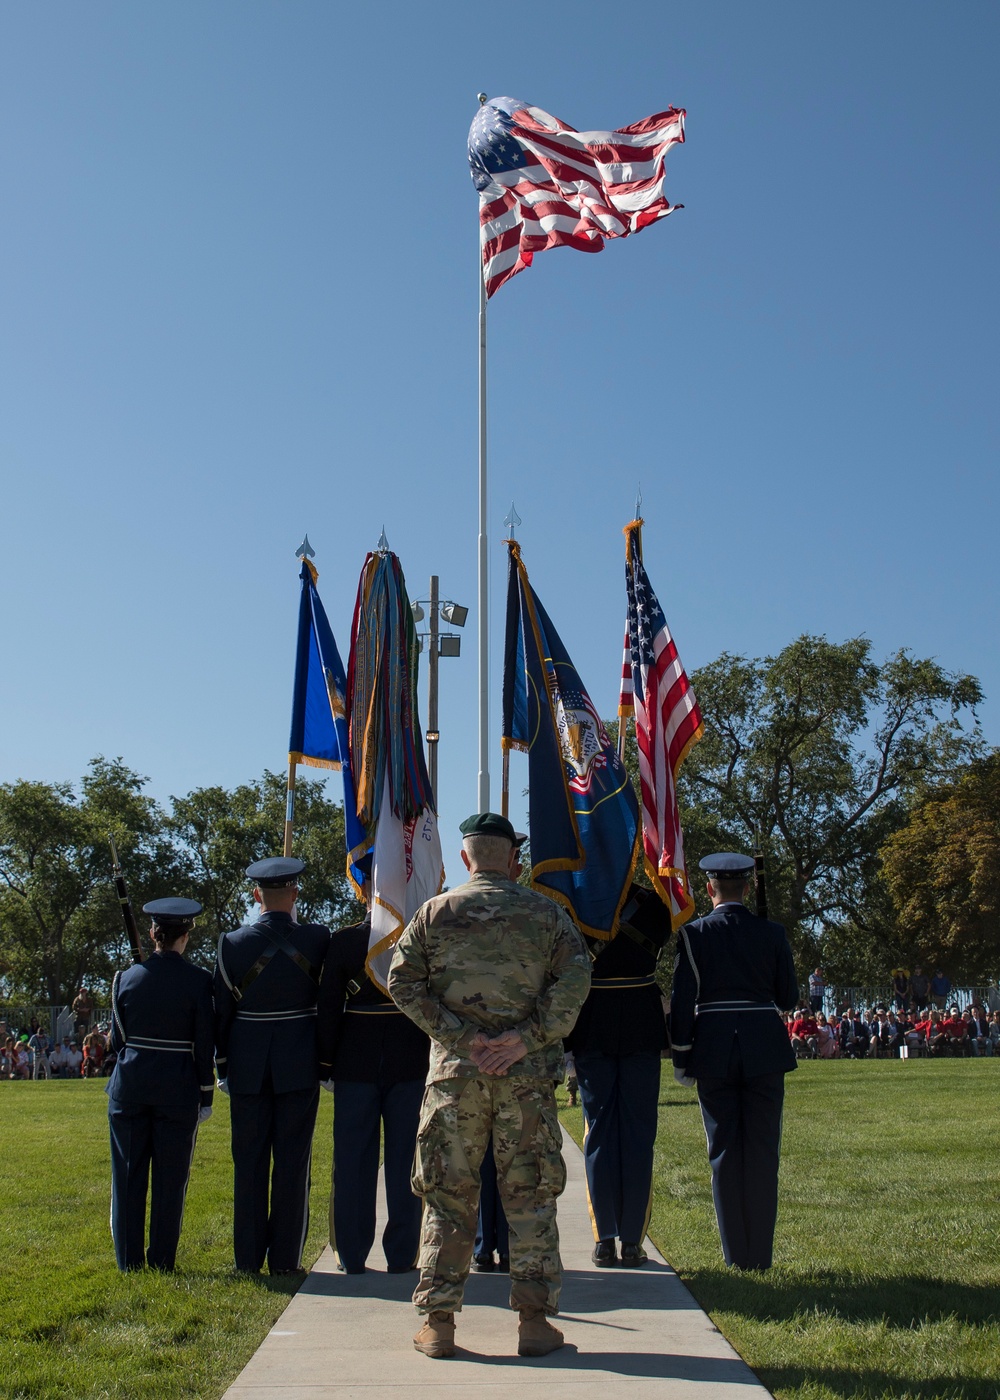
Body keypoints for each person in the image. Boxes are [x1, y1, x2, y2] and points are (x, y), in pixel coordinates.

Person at [387, 812, 591, 1361]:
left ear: (465, 858)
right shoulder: (547, 915)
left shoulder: (433, 913)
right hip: (525, 1081)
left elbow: (400, 980)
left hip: (456, 1081)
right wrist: (525, 1039)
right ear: (513, 859)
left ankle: (438, 1324)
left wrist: (462, 1038)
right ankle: (533, 1323)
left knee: (448, 1199)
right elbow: (577, 980)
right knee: (529, 1197)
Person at [670, 852, 798, 1272]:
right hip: (764, 1045)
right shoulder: (773, 933)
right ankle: (760, 1255)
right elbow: (788, 998)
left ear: (709, 889)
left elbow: (684, 1000)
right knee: (762, 1152)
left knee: (723, 1152)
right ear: (745, 888)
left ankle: (735, 1257)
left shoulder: (694, 935)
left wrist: (682, 1056)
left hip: (715, 1048)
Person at [214, 857, 331, 1276]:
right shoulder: (317, 939)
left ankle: (246, 1260)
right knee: (292, 1164)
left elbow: (222, 1013)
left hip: (247, 1064)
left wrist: (223, 1065)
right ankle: (285, 1260)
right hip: (299, 1062)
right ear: (295, 894)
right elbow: (328, 1005)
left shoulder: (231, 943)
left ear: (254, 895)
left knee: (248, 1164)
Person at [316, 858, 430, 1275]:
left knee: (354, 1161)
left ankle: (352, 1253)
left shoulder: (346, 942)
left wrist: (325, 1063)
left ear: (362, 888)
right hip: (408, 1057)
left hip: (355, 1061)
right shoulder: (420, 938)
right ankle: (402, 1256)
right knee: (402, 1161)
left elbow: (329, 1009)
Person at [564, 881, 670, 1268]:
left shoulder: (577, 899)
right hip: (639, 1021)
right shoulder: (654, 902)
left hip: (594, 1023)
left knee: (601, 1133)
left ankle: (605, 1238)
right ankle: (629, 1241)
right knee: (637, 1134)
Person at [107, 898, 214, 1272]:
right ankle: (162, 1260)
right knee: (170, 1182)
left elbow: (117, 1042)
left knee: (128, 1177)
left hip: (130, 1086)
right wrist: (206, 1094)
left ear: (153, 934)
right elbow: (204, 1044)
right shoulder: (200, 981)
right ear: (184, 937)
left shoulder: (124, 978)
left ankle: (128, 1262)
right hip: (177, 1089)